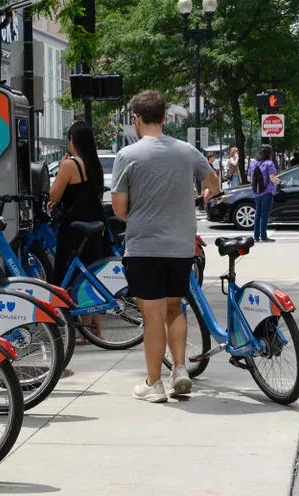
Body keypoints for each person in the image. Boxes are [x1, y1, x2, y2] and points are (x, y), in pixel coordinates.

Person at [110, 90, 222, 403]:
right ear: (163, 117)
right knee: (175, 308)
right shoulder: (186, 151)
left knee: (153, 315)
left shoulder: (128, 156)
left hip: (144, 246)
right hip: (181, 246)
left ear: (136, 119)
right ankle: (181, 369)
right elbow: (214, 184)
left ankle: (153, 383)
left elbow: (119, 208)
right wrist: (203, 197)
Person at [48, 121, 108, 341]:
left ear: (72, 139)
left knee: (71, 274)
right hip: (95, 226)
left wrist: (62, 165)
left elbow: (54, 194)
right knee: (91, 275)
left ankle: (85, 330)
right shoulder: (94, 163)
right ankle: (94, 330)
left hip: (74, 228)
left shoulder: (70, 164)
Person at [247, 144, 281, 242]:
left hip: (256, 192)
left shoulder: (253, 163)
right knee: (264, 215)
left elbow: (249, 178)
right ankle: (264, 236)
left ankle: (256, 236)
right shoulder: (269, 163)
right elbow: (272, 179)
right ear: (269, 153)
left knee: (257, 214)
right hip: (267, 192)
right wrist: (278, 181)